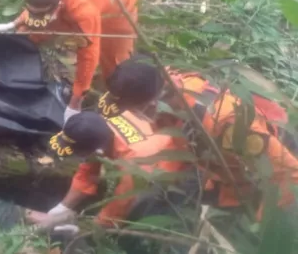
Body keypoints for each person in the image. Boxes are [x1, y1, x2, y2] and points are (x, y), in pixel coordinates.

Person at [96, 57, 298, 215]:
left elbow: (290, 176)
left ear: (150, 105)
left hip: (273, 167)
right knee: (157, 199)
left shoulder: (226, 122)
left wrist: (263, 229)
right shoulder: (164, 90)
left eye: (133, 110)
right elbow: (178, 146)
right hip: (222, 170)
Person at [0, 0, 139, 123]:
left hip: (119, 4)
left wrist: (75, 103)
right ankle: (25, 61)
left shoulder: (85, 13)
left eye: (42, 15)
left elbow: (88, 56)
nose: (35, 18)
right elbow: (33, 10)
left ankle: (120, 107)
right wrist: (14, 23)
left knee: (115, 67)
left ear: (58, 6)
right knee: (29, 31)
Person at [30, 110, 189, 230]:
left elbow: (123, 201)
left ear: (97, 150)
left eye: (78, 152)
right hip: (152, 151)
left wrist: (88, 229)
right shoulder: (101, 128)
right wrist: (59, 210)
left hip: (174, 175)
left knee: (142, 208)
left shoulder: (135, 162)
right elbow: (87, 172)